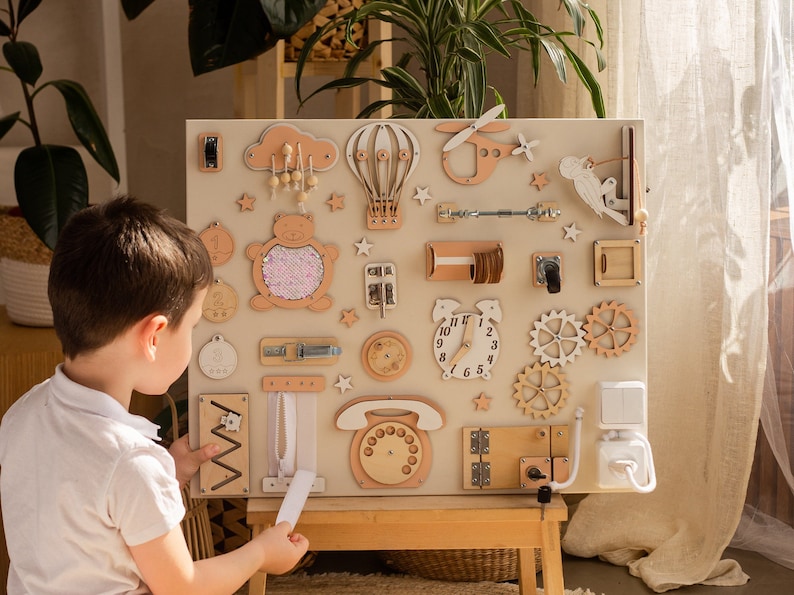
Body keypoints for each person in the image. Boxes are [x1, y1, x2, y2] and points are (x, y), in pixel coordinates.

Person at [0, 196, 308, 594]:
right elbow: (183, 587)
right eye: (193, 325)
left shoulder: (23, 413)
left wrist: (166, 473)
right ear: (154, 336)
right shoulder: (130, 463)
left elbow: (84, 513)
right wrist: (261, 553)